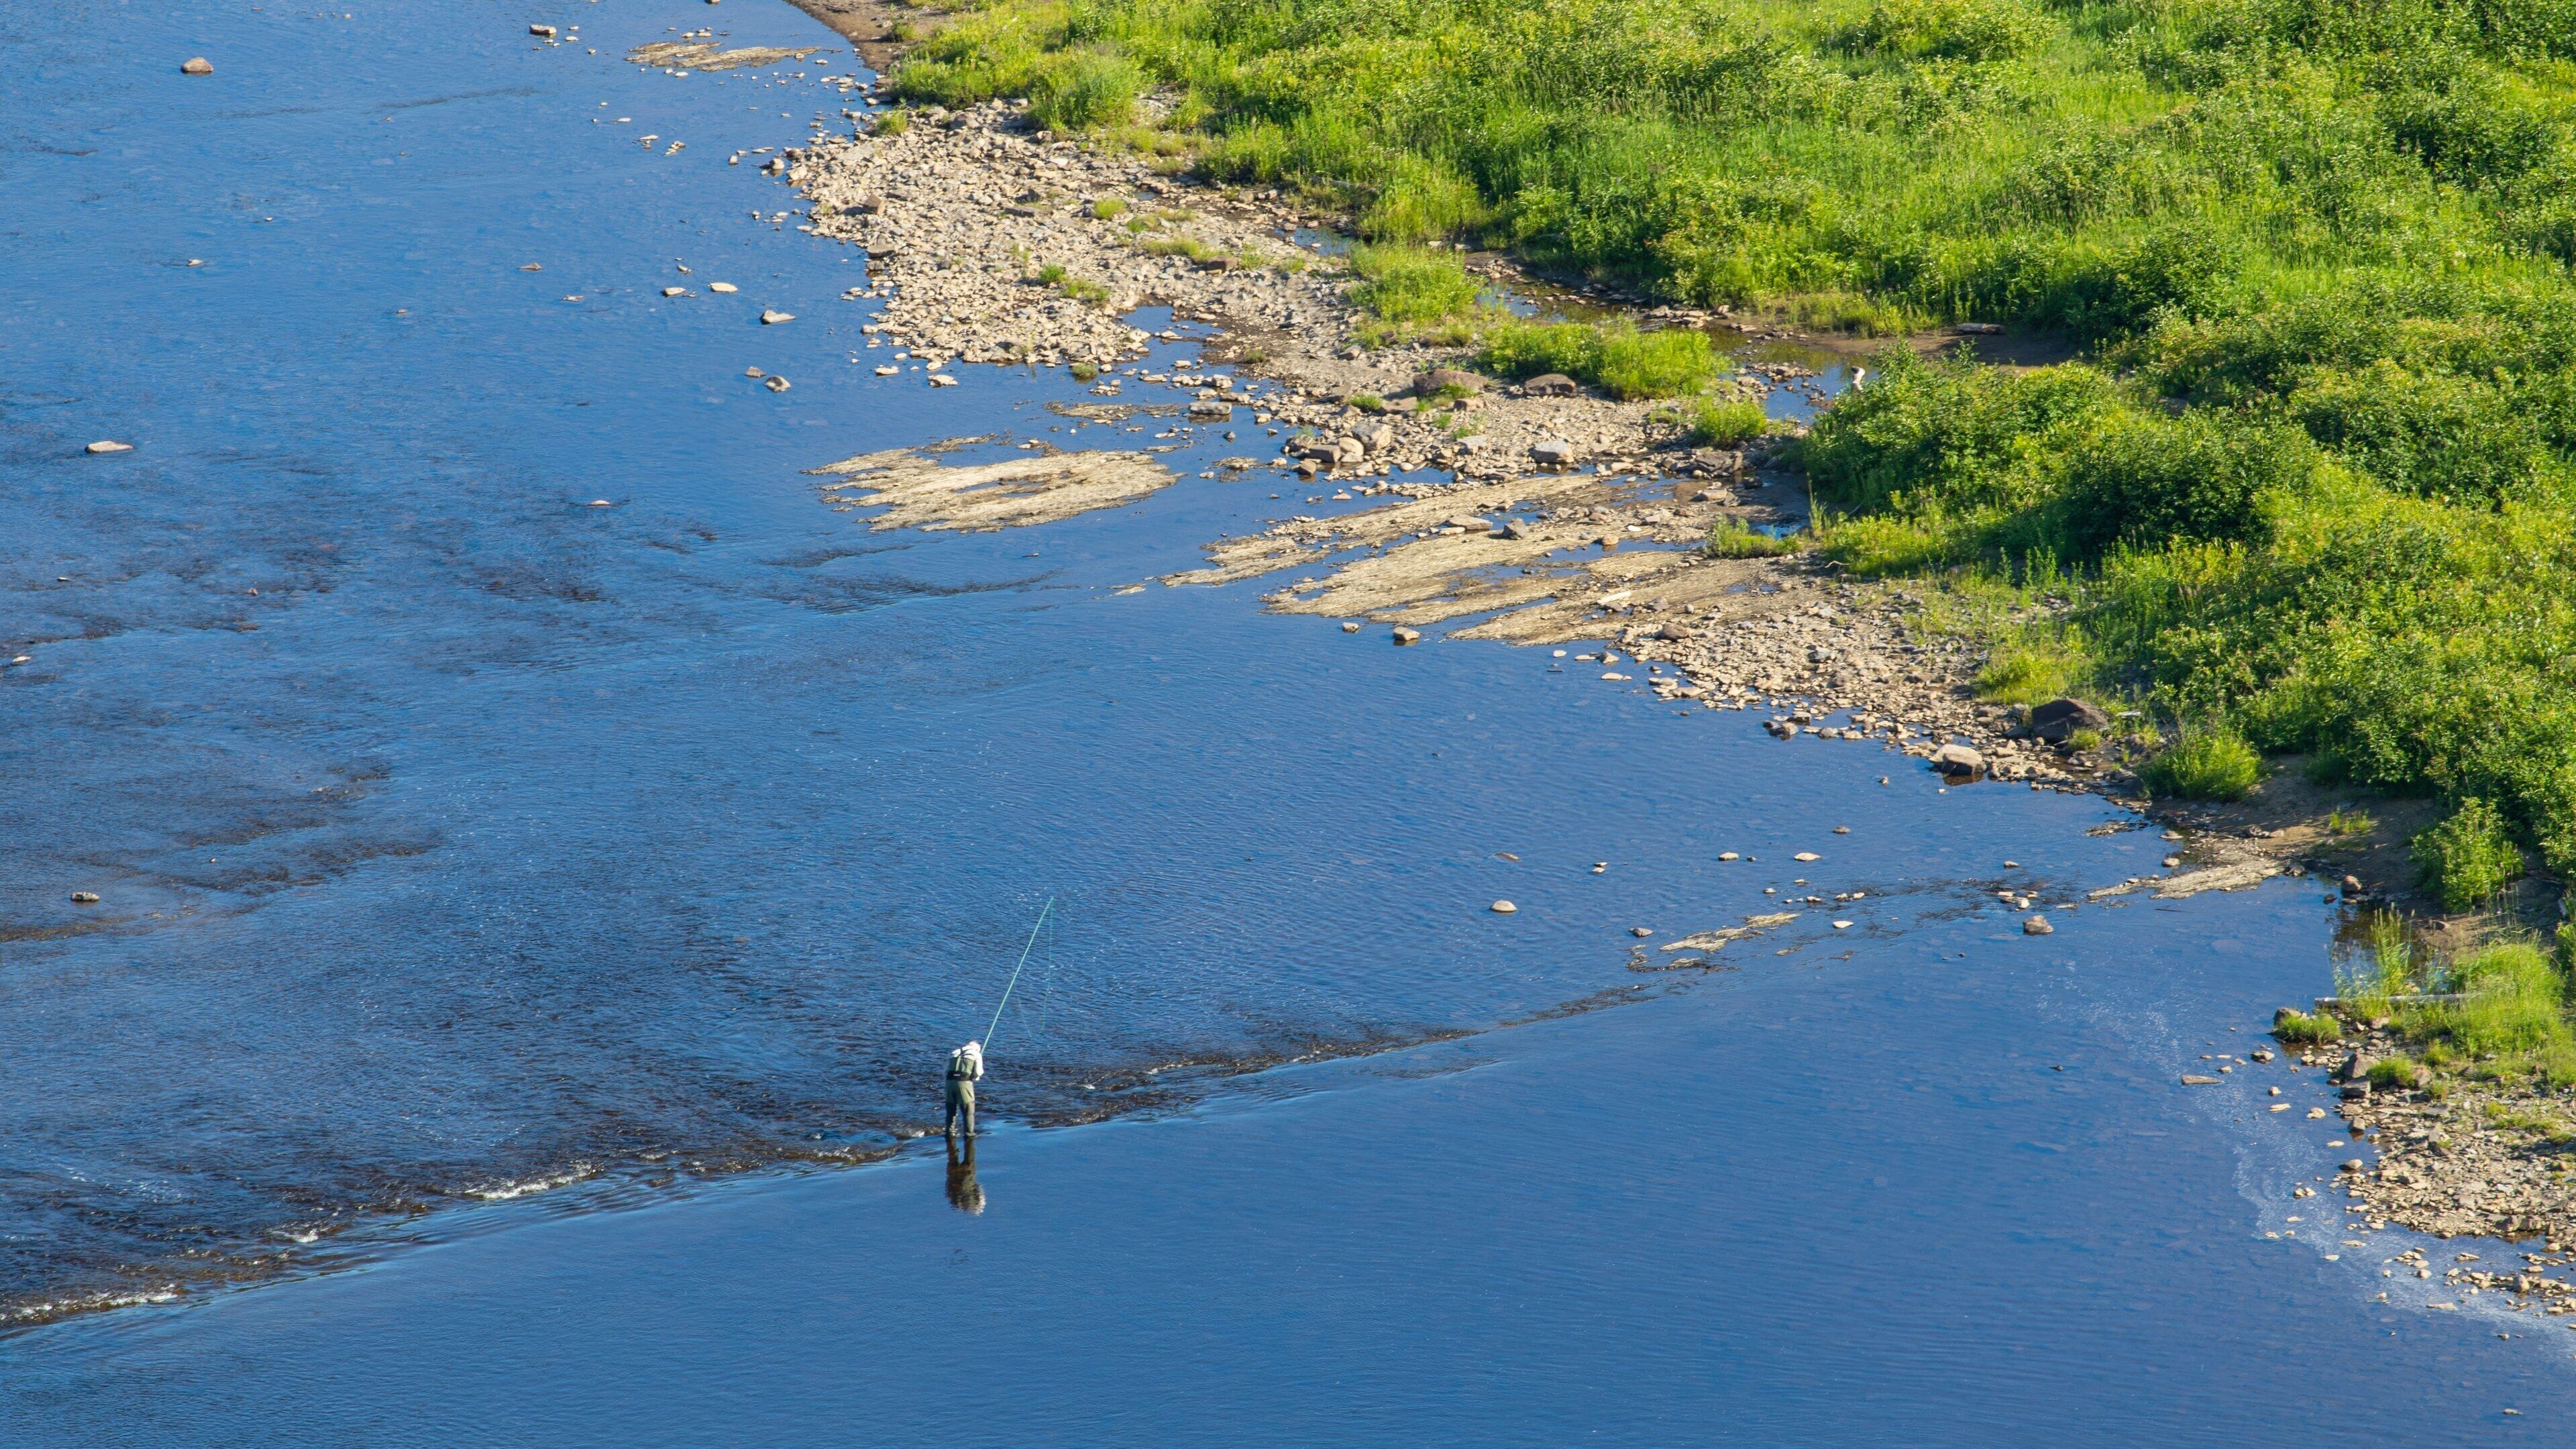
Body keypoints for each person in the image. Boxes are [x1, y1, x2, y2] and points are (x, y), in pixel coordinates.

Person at [944, 1039, 985, 1139]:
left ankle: (949, 1133)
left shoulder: (954, 1052)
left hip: (949, 1083)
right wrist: (975, 1077)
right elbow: (978, 1073)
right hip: (964, 1084)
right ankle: (969, 1134)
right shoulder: (976, 1054)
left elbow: (945, 1071)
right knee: (968, 1111)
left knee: (951, 1111)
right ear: (977, 1049)